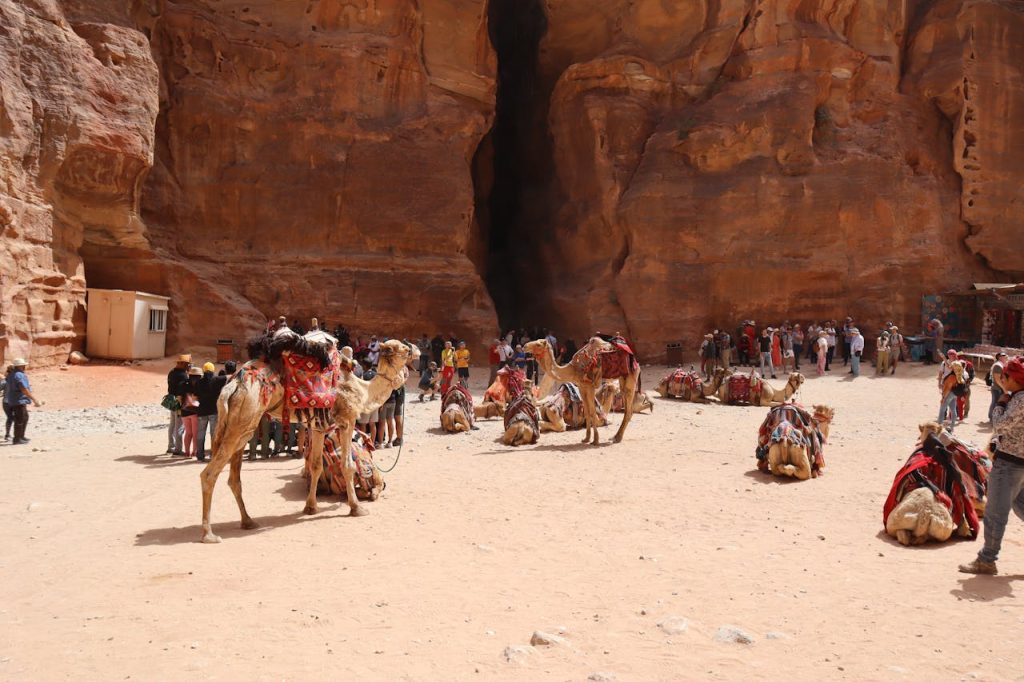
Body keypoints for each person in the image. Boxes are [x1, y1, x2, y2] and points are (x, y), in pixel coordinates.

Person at [959, 356, 1024, 575]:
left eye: (1004, 377)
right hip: (1019, 464)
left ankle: (987, 559)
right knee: (1020, 506)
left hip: (1009, 464)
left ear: (1013, 379)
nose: (1002, 380)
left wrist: (1000, 404)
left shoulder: (1017, 400)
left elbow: (999, 425)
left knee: (996, 513)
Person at [3, 358, 41, 445]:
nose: (24, 367)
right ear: (20, 366)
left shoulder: (11, 375)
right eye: (23, 365)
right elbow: (24, 389)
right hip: (19, 400)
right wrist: (34, 399)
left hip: (13, 400)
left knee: (24, 417)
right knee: (20, 419)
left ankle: (21, 436)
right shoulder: (19, 375)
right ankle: (17, 439)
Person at [195, 362, 227, 461]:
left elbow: (195, 396)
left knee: (200, 434)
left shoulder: (198, 382)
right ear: (213, 370)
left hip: (202, 411)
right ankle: (213, 454)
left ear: (203, 370)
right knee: (214, 434)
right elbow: (229, 376)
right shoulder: (217, 380)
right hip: (214, 411)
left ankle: (200, 455)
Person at [166, 354, 190, 455]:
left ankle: (170, 446)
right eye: (187, 364)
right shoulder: (183, 375)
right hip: (179, 401)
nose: (188, 366)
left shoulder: (171, 372)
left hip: (171, 399)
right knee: (179, 426)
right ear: (183, 364)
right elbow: (184, 389)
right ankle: (178, 449)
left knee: (172, 424)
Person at [938, 350, 963, 429]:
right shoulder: (958, 366)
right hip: (956, 389)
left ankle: (939, 427)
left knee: (943, 408)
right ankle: (952, 428)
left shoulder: (952, 375)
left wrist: (943, 397)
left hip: (950, 390)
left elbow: (948, 388)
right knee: (953, 408)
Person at [181, 366, 203, 457]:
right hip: (195, 411)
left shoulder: (184, 384)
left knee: (188, 433)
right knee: (195, 434)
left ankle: (186, 452)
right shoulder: (199, 386)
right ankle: (194, 451)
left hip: (184, 412)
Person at [988, 352, 1009, 423]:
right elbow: (997, 379)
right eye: (1004, 356)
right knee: (995, 403)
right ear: (999, 357)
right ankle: (991, 418)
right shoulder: (998, 365)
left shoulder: (1001, 364)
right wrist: (1004, 388)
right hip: (997, 388)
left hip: (999, 388)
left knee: (996, 402)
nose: (1006, 356)